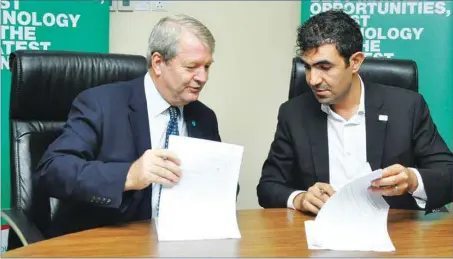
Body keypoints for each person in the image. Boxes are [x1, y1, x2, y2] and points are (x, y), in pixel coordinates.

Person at [35, 14, 231, 238]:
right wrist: (128, 175)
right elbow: (52, 171)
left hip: (179, 241)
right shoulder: (101, 104)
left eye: (207, 66)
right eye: (192, 67)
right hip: (106, 242)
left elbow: (219, 185)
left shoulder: (204, 117)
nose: (203, 77)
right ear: (158, 63)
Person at [257, 10, 453, 215]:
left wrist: (412, 180)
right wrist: (300, 198)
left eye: (324, 67)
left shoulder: (407, 107)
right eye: (307, 67)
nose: (313, 80)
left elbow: (448, 174)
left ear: (356, 62)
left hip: (394, 234)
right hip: (322, 233)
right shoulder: (293, 113)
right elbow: (268, 186)